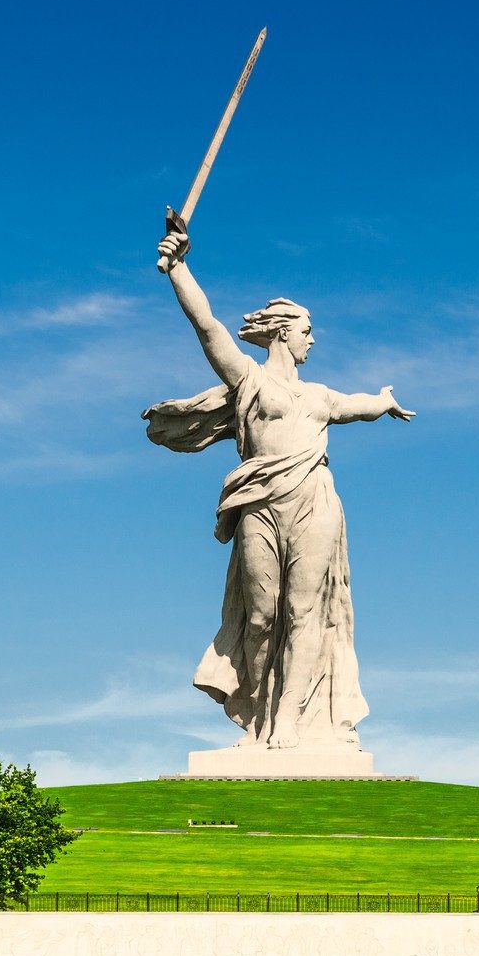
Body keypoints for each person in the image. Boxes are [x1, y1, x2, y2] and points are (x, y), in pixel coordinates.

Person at [145, 219, 413, 751]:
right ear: (283, 332)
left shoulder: (319, 397)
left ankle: (288, 721)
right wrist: (178, 268)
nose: (313, 339)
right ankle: (261, 718)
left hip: (314, 502)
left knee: (304, 612)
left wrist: (382, 401)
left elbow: (358, 406)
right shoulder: (249, 379)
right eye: (308, 331)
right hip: (259, 504)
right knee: (263, 617)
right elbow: (208, 328)